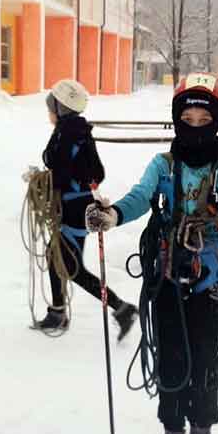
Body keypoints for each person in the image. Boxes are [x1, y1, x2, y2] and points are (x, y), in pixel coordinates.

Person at [84, 73, 218, 434]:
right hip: (168, 276)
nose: (193, 123)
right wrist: (112, 214)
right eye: (186, 115)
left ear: (216, 120)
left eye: (202, 115)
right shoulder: (163, 164)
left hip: (211, 280)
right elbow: (138, 197)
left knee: (206, 361)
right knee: (170, 358)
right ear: (176, 118)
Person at [34, 78, 137, 339]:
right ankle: (57, 312)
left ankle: (122, 308)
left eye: (51, 107)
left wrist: (43, 181)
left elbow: (62, 170)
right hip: (75, 206)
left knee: (70, 268)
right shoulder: (73, 130)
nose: (48, 112)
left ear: (61, 108)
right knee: (54, 256)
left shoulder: (69, 134)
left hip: (74, 210)